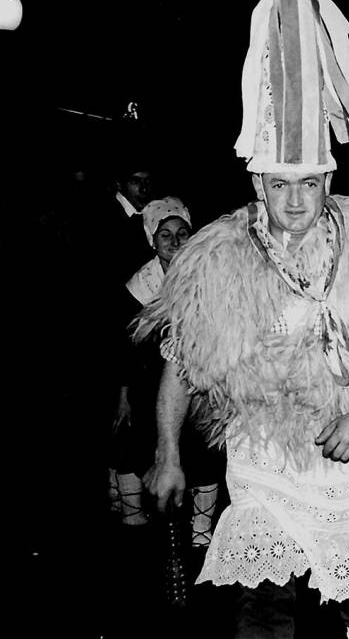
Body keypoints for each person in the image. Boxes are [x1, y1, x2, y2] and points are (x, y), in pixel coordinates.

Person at [137, 0, 349, 638]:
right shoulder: (222, 256)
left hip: (348, 454)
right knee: (261, 603)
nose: (293, 200)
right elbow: (181, 361)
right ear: (257, 180)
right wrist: (167, 452)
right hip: (265, 458)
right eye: (278, 184)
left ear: (328, 178)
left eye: (307, 184)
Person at [112, 197, 223, 556]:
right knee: (145, 447)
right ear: (152, 240)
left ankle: (201, 532)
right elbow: (126, 352)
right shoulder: (138, 288)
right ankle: (136, 522)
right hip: (151, 387)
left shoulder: (208, 275)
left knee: (204, 453)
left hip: (200, 381)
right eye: (166, 235)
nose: (175, 242)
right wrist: (125, 396)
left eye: (182, 233)